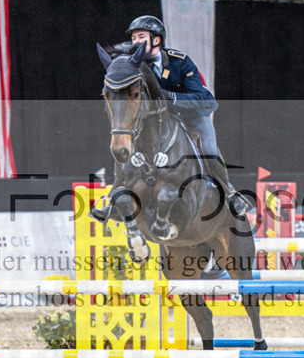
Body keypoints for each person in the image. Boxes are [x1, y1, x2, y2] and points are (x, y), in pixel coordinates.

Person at [94, 15, 252, 221]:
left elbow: (207, 100)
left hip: (190, 117)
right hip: (154, 122)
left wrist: (173, 98)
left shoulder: (180, 62)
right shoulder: (133, 66)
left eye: (141, 37)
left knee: (210, 150)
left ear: (157, 40)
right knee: (125, 142)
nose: (135, 42)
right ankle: (114, 197)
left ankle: (230, 192)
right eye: (133, 38)